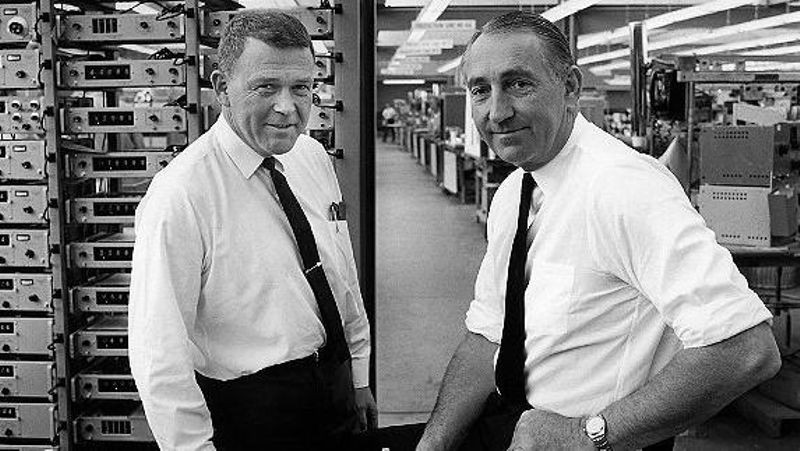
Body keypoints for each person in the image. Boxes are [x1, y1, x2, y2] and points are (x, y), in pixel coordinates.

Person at [414, 11, 780, 451]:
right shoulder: (515, 191)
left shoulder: (623, 186)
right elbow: (488, 334)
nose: (497, 111)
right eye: (480, 90)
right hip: (515, 425)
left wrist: (584, 436)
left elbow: (747, 348)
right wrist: (432, 444)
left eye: (518, 84)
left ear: (570, 87)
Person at [128, 10, 377, 451]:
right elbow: (159, 353)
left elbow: (341, 272)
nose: (287, 107)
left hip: (333, 385)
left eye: (301, 88)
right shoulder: (181, 195)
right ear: (222, 87)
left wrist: (357, 374)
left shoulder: (310, 157)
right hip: (253, 412)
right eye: (266, 87)